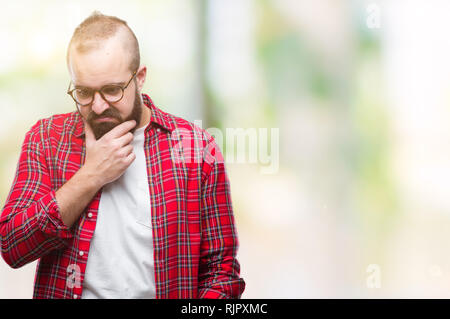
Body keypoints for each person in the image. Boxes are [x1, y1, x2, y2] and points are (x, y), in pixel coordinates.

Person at [0, 11, 245, 299]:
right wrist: (91, 176)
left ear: (140, 77)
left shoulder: (195, 147)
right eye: (84, 92)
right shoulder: (46, 139)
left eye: (112, 90)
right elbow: (13, 246)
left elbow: (221, 272)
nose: (100, 106)